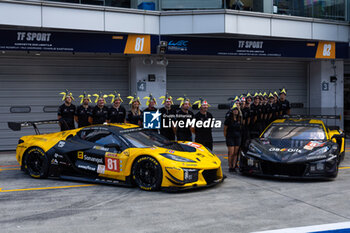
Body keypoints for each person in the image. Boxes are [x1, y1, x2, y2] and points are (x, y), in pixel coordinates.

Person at [224, 103, 242, 172]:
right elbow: (225, 129)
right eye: (234, 110)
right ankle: (230, 166)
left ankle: (234, 166)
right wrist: (226, 137)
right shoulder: (228, 119)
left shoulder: (239, 119)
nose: (235, 111)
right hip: (230, 137)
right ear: (232, 111)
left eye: (237, 110)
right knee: (231, 153)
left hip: (237, 137)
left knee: (235, 153)